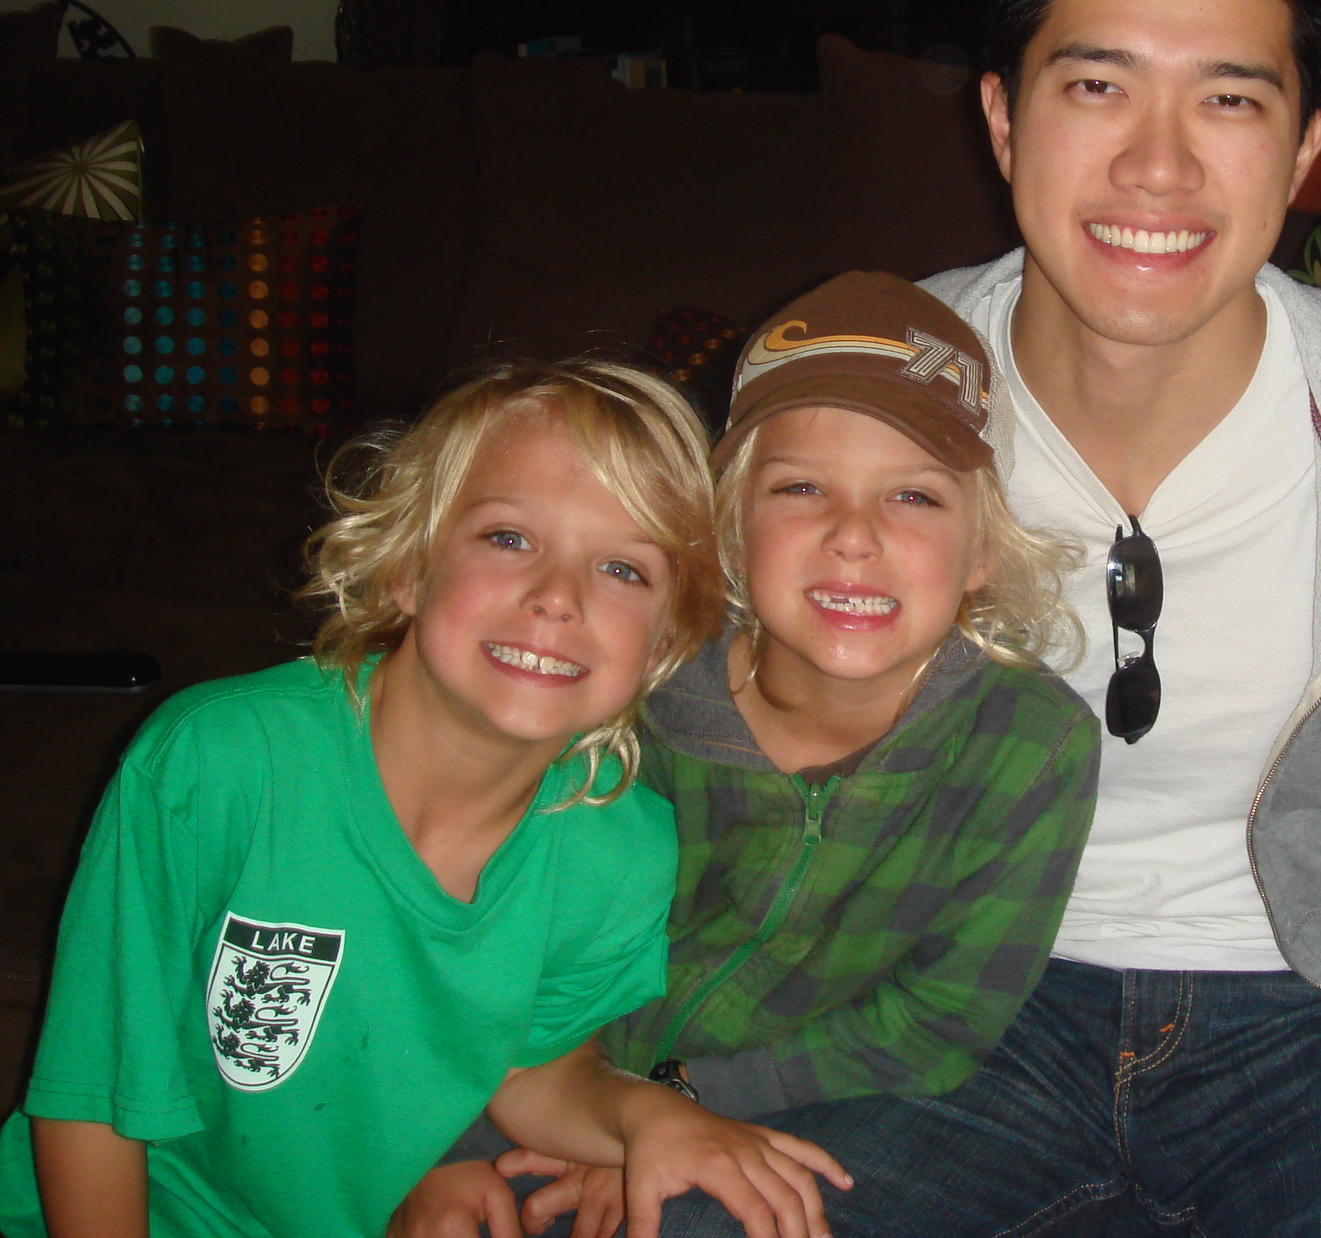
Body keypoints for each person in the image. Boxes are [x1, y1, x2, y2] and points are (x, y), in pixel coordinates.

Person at [650, 0, 1321, 1237]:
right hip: (924, 988)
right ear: (1002, 119)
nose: (1157, 166)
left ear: (1307, 146)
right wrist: (611, 1081)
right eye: (1096, 86)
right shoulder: (851, 393)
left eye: (1228, 100)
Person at [0, 360, 848, 1238]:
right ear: (409, 566)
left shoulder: (620, 847)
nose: (557, 599)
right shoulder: (219, 764)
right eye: (509, 538)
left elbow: (532, 1070)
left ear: (665, 642)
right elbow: (92, 1098)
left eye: (622, 569)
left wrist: (645, 1117)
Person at [431, 273, 1101, 1236]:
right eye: (801, 488)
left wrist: (676, 1107)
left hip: (800, 1102)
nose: (854, 537)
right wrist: (448, 1148)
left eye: (914, 496)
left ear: (983, 550)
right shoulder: (632, 693)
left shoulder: (1031, 746)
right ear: (732, 530)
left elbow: (940, 1021)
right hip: (526, 1087)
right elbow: (488, 932)